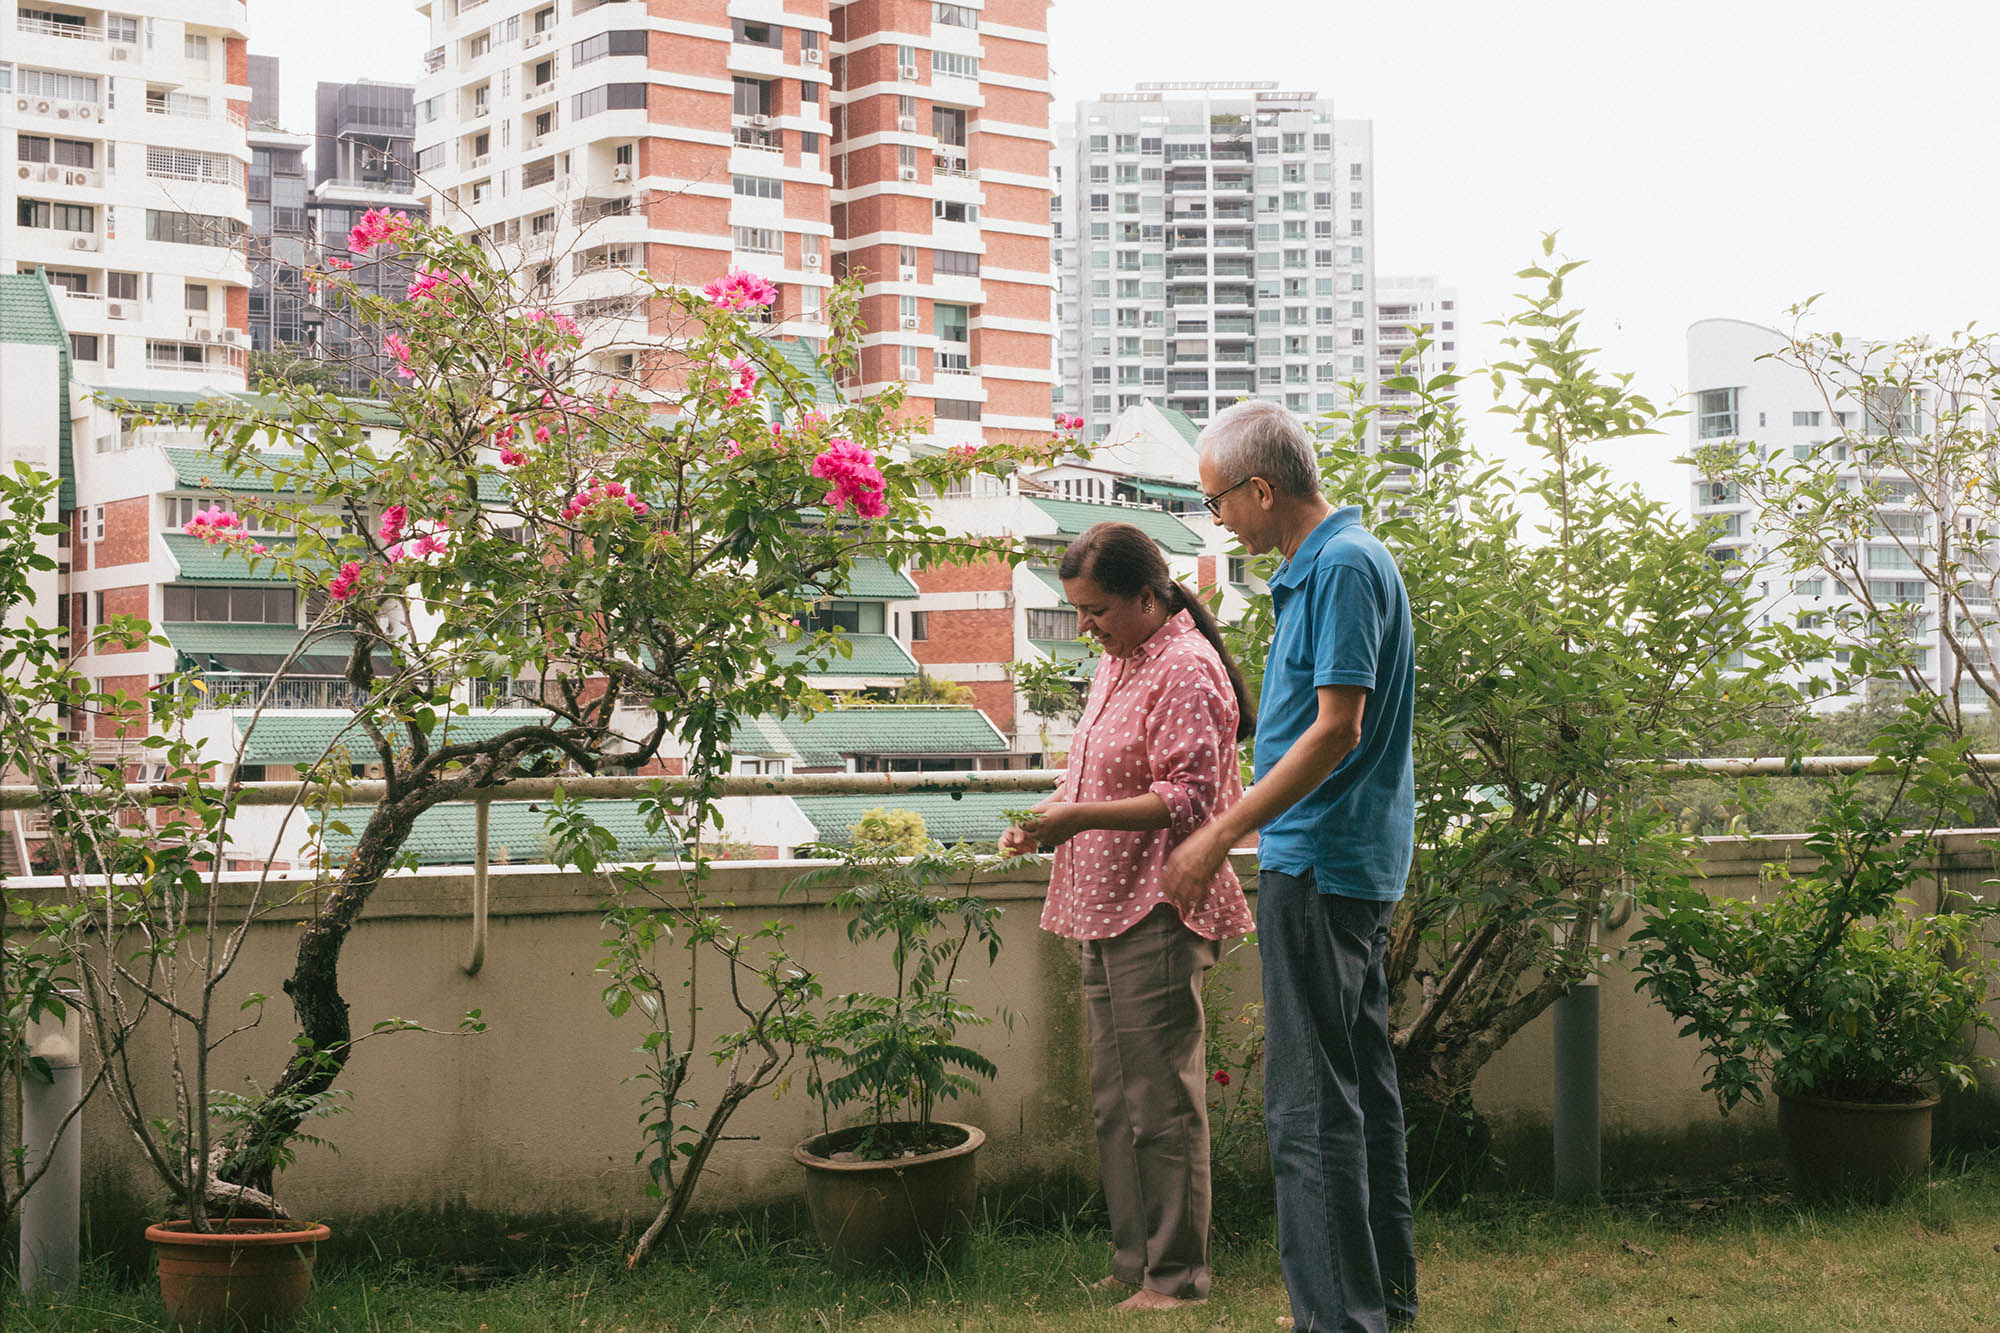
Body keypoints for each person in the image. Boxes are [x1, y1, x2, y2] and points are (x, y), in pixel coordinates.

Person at [1161, 400, 1418, 1333]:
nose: (1216, 518)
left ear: (1262, 489)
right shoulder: (1336, 563)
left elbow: (1336, 730)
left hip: (1321, 864)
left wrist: (1215, 833)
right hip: (1342, 861)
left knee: (1308, 1114)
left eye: (1218, 499)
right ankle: (1381, 1306)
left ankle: (1341, 1321)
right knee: (1360, 1101)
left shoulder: (1343, 566)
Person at [1000, 521, 1255, 1315]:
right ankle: (1136, 1259)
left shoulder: (1185, 667)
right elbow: (1098, 772)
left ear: (1148, 596)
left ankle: (1177, 1276)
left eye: (1096, 610)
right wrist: (1051, 814)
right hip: (1102, 903)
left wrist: (1077, 820)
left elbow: (1189, 799)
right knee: (1116, 1099)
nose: (1086, 626)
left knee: (1161, 1101)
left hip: (1155, 906)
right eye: (1078, 611)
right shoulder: (1124, 660)